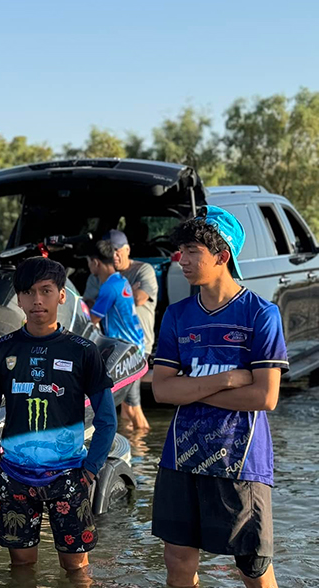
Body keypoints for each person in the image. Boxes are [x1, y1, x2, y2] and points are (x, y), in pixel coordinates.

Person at [151, 206, 286, 588]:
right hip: (180, 455)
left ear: (222, 255)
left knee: (253, 567)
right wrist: (227, 379)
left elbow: (264, 396)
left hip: (240, 460)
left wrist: (189, 390)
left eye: (193, 250)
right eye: (182, 251)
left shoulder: (262, 314)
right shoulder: (176, 316)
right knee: (177, 559)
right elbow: (161, 389)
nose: (182, 260)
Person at [0, 257, 116, 577]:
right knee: (21, 567)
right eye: (28, 292)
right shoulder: (2, 350)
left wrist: (90, 471)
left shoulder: (83, 350)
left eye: (46, 290)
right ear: (18, 298)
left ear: (62, 295)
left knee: (77, 569)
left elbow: (107, 419)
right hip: (14, 475)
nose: (37, 300)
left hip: (70, 476)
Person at [84, 229, 156, 431]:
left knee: (133, 410)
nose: (89, 266)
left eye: (89, 262)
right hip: (133, 350)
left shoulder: (108, 288)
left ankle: (143, 455)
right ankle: (134, 450)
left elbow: (92, 320)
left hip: (126, 354)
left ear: (96, 263)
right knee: (127, 407)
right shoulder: (120, 281)